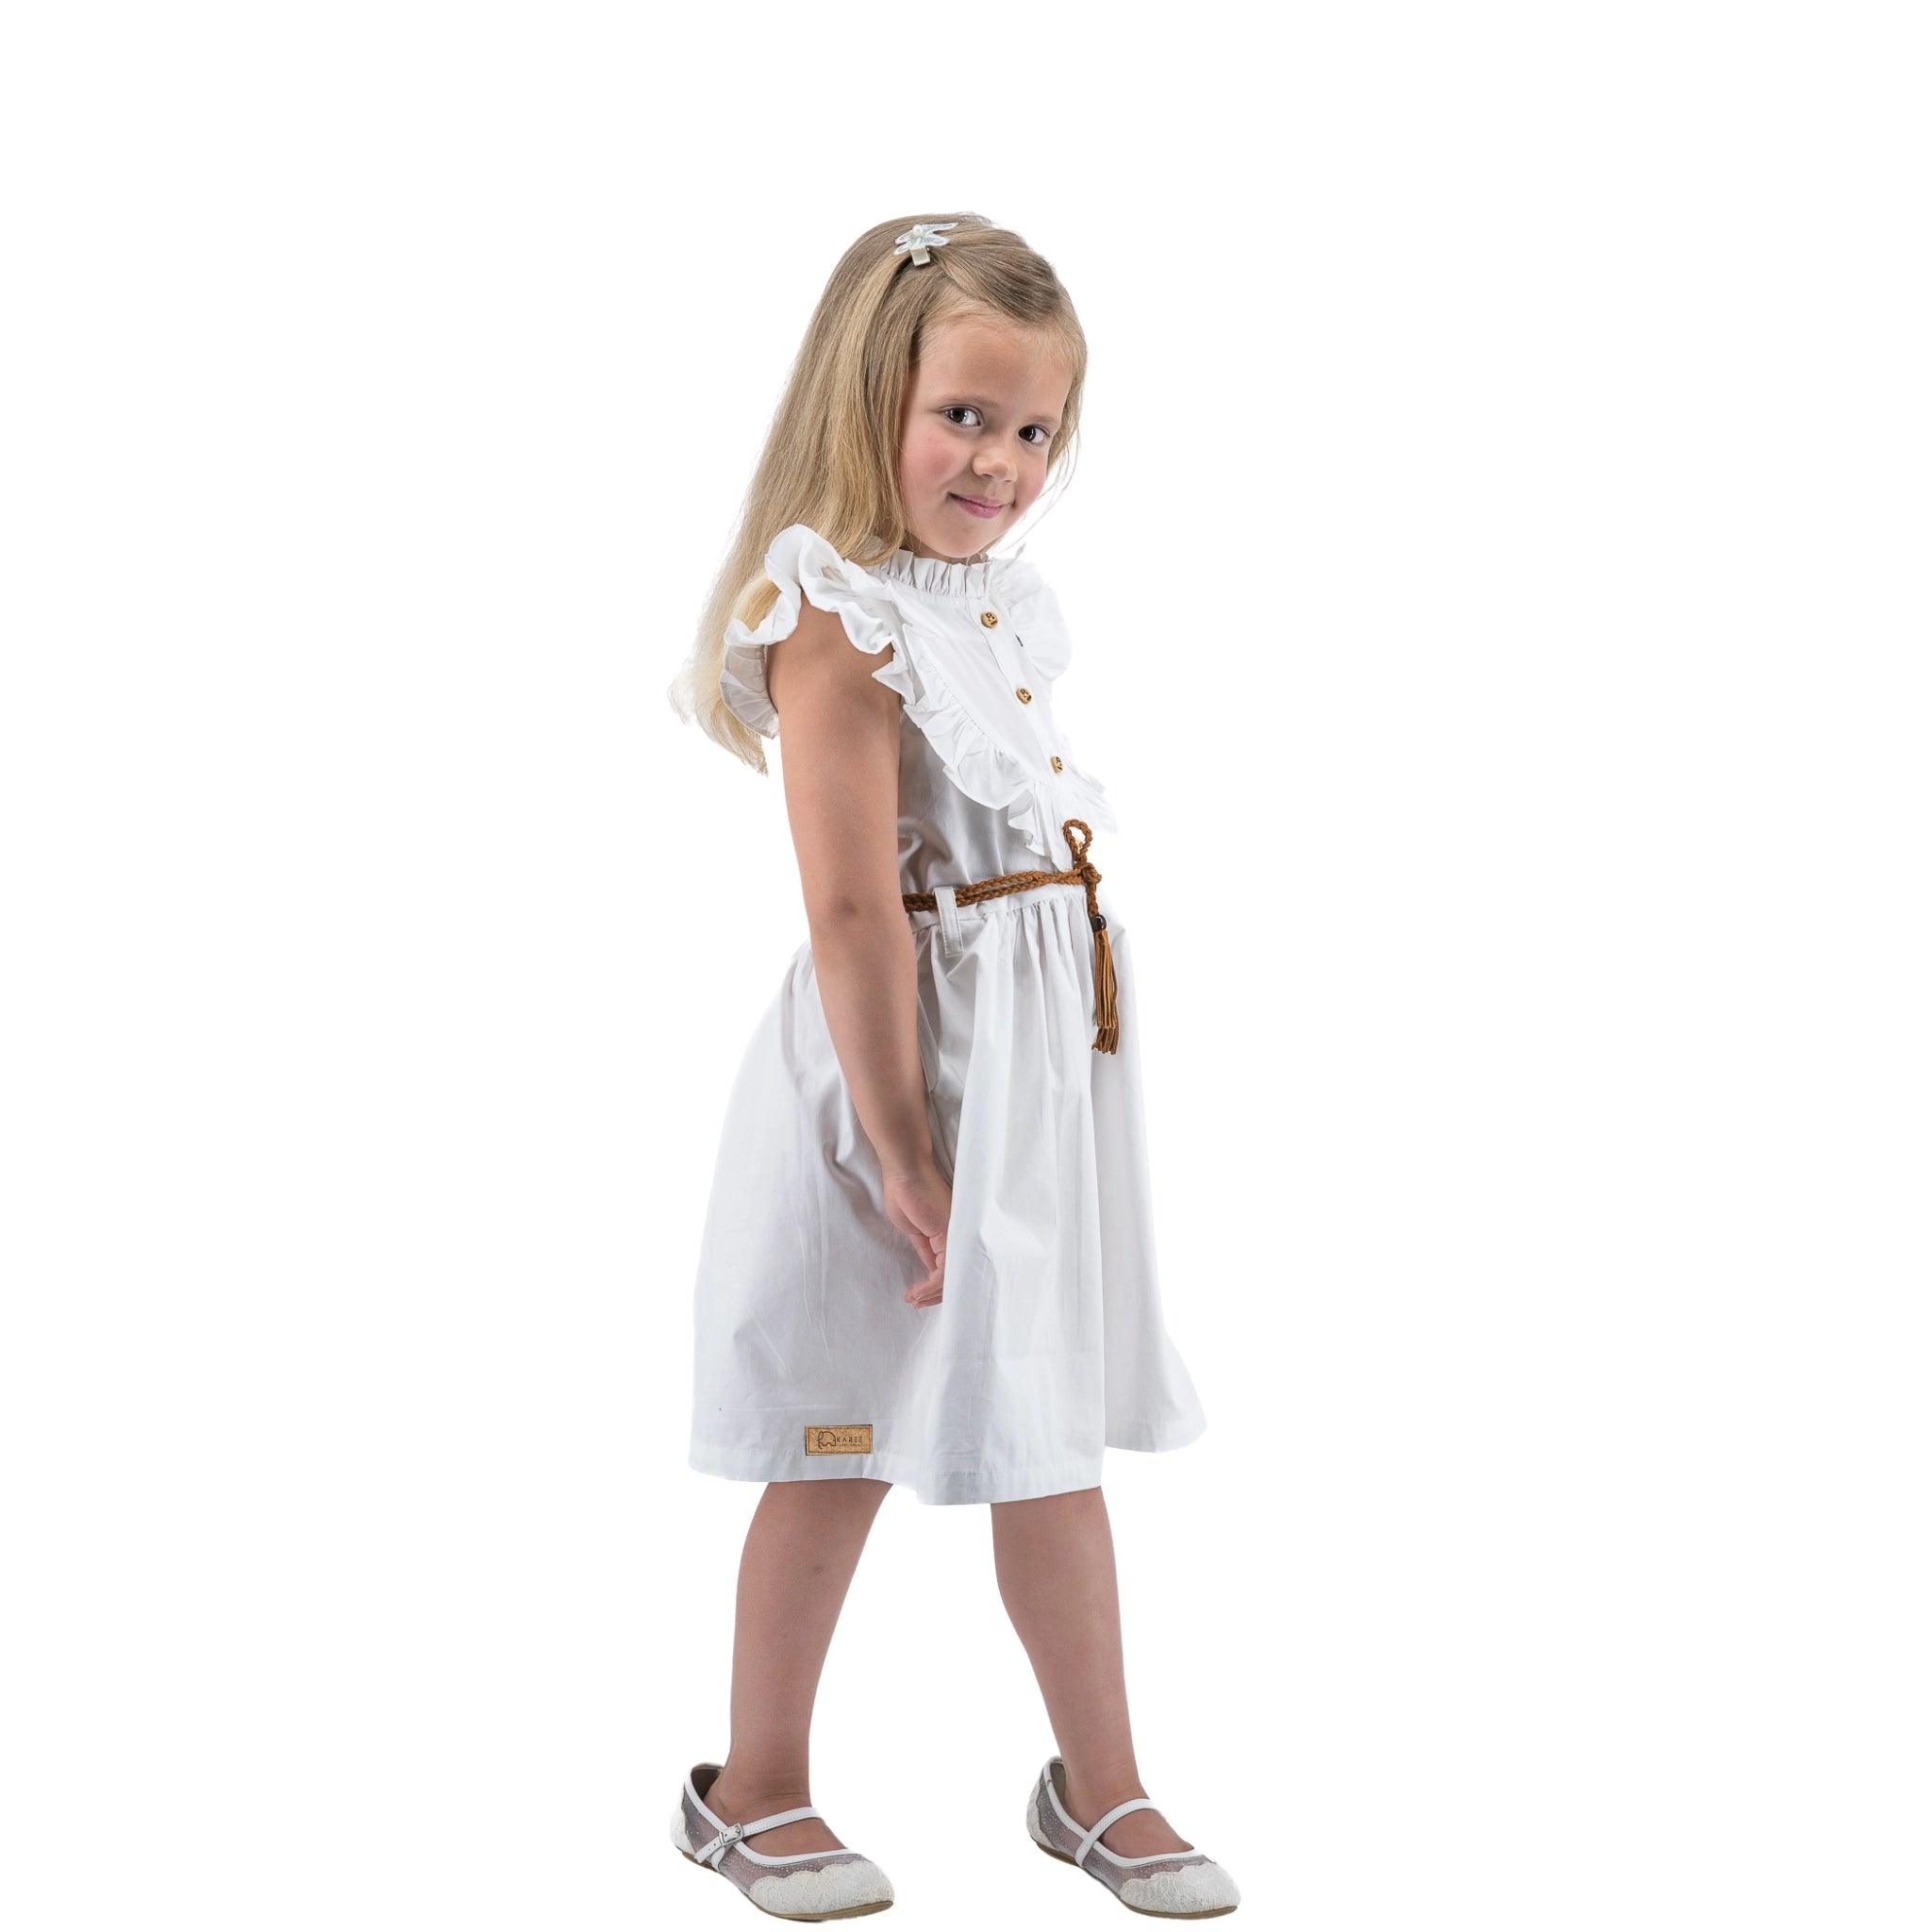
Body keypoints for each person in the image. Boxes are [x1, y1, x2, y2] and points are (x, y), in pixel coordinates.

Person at [663, 214, 1240, 1922]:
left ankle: (1101, 1785)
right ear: (873, 396)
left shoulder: (991, 604)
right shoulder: (835, 612)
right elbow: (852, 903)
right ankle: (752, 1786)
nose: (1000, 461)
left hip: (1039, 1080)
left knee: (1048, 1423)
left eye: (1036, 429)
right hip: (899, 1075)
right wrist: (907, 1143)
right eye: (966, 416)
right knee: (837, 1433)